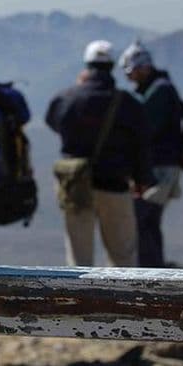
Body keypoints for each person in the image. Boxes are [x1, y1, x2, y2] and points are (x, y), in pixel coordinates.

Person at [46, 40, 155, 267]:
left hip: (75, 186)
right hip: (115, 186)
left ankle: (79, 301)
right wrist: (143, 179)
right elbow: (141, 144)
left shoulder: (67, 98)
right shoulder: (128, 104)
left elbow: (53, 121)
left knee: (79, 260)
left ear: (87, 64)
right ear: (113, 66)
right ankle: (121, 301)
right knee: (123, 257)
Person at [119, 41, 183, 267]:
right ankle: (153, 268)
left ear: (143, 68)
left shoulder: (159, 92)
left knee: (142, 218)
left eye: (131, 72)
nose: (129, 78)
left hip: (160, 168)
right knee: (148, 221)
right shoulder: (158, 90)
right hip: (160, 166)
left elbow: (146, 129)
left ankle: (151, 271)